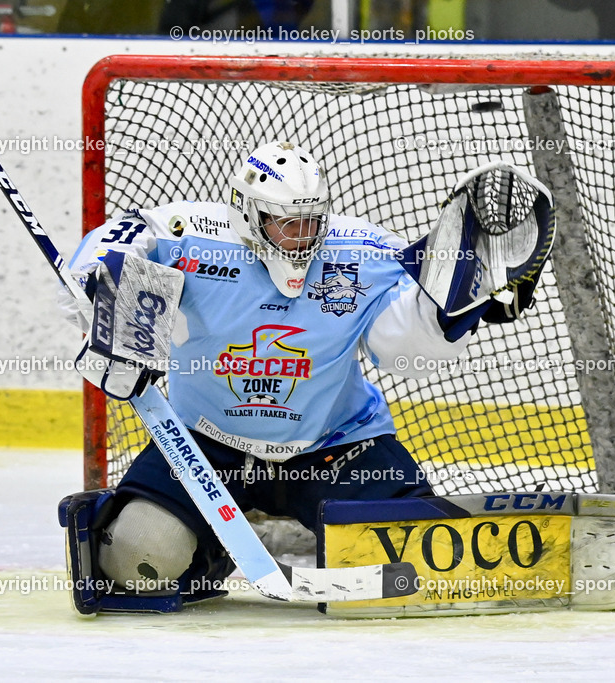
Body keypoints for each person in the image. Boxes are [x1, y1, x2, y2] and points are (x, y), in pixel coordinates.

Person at [58, 140, 533, 612]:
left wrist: (455, 311)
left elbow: (404, 352)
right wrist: (101, 293)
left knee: (419, 563)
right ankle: (211, 551)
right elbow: (116, 243)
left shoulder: (363, 252)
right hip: (206, 446)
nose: (302, 236)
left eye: (311, 221)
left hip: (335, 445)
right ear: (248, 213)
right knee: (136, 561)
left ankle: (296, 530)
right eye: (287, 223)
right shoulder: (191, 236)